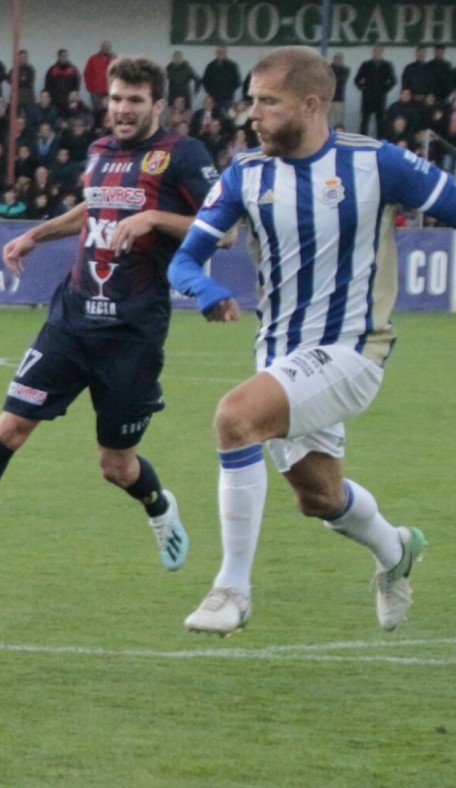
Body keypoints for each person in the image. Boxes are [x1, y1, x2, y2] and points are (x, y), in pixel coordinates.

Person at [0, 57, 218, 581]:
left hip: (131, 335)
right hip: (71, 320)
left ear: (158, 105)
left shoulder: (183, 154)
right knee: (9, 428)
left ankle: (158, 505)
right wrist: (34, 235)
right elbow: (92, 210)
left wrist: (154, 217)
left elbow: (223, 231)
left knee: (116, 466)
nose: (122, 110)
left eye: (134, 100)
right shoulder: (100, 151)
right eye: (116, 99)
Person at [168, 46, 456, 636]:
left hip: (355, 350)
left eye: (267, 102)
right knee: (319, 498)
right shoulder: (246, 173)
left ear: (312, 104)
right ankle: (396, 550)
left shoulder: (378, 163)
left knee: (235, 418)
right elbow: (185, 259)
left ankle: (233, 589)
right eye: (252, 100)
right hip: (280, 354)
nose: (253, 113)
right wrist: (203, 289)